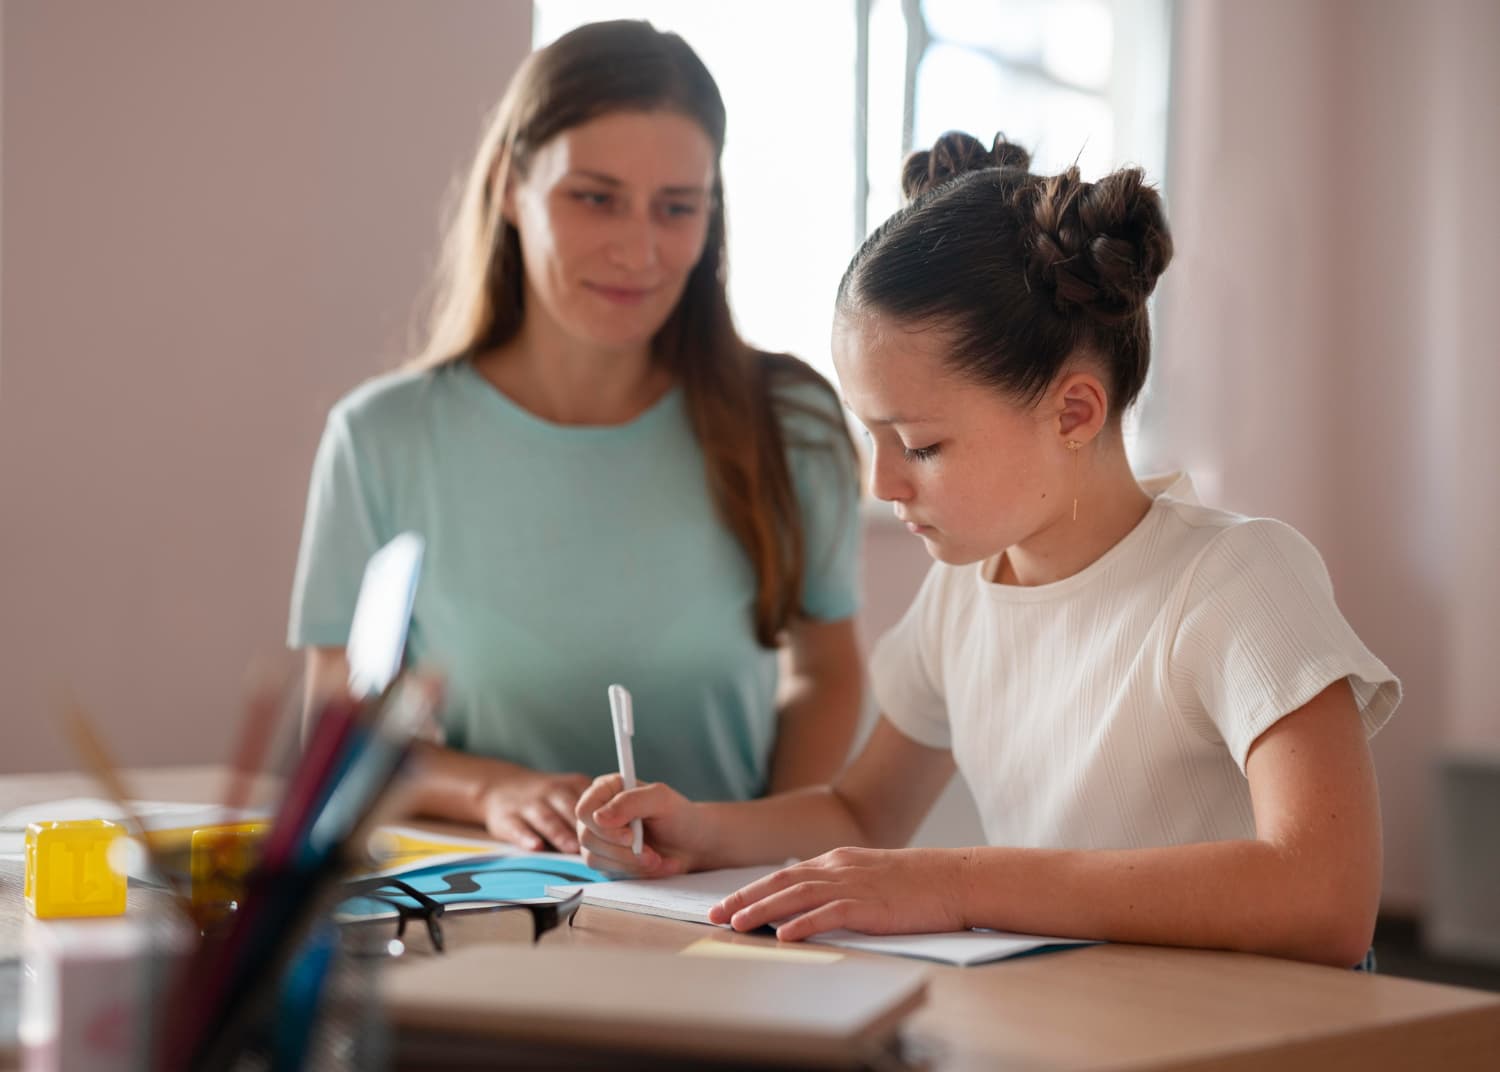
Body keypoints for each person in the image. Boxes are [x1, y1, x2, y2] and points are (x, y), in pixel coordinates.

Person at [575, 132, 1401, 968]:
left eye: (922, 445)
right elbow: (864, 816)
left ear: (1074, 413)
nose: (886, 482)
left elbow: (1325, 899)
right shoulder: (964, 590)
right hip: (1076, 1021)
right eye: (874, 438)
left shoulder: (1236, 580)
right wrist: (699, 830)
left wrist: (961, 882)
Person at [287, 21, 863, 854]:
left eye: (677, 207)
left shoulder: (792, 423)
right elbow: (338, 729)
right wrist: (495, 792)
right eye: (594, 197)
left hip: (724, 914)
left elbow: (827, 670)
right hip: (473, 913)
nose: (639, 249)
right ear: (510, 189)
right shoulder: (379, 439)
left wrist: (753, 846)